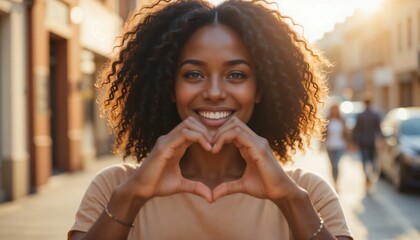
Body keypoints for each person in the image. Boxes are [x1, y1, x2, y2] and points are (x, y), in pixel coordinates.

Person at [68, 0, 353, 239]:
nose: (215, 93)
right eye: (193, 74)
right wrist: (131, 197)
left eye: (236, 75)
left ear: (259, 89)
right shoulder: (114, 188)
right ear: (169, 87)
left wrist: (290, 200)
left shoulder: (307, 194)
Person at [352, 95, 382, 191]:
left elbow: (356, 130)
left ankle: (367, 177)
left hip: (363, 142)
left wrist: (354, 142)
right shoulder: (375, 115)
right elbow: (379, 129)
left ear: (364, 103)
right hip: (372, 142)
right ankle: (370, 176)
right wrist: (381, 140)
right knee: (372, 160)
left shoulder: (360, 115)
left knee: (364, 161)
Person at [325, 104, 348, 190]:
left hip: (340, 146)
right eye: (333, 109)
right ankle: (334, 182)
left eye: (336, 109)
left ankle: (337, 182)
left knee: (336, 165)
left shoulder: (342, 120)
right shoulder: (328, 120)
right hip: (330, 146)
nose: (334, 111)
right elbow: (323, 133)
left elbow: (347, 133)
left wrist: (349, 143)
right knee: (332, 166)